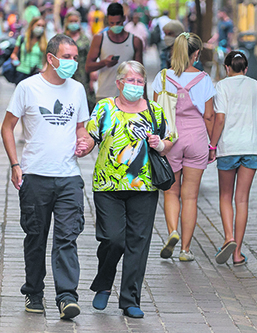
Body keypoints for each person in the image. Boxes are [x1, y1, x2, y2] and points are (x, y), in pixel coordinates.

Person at [0, 34, 91, 320]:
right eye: (67, 57)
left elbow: (82, 130)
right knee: (36, 237)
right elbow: (7, 127)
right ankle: (34, 293)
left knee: (67, 238)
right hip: (35, 176)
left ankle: (66, 297)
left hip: (68, 178)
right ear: (51, 58)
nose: (72, 63)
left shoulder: (77, 90)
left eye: (75, 58)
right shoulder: (27, 88)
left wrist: (85, 143)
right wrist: (15, 164)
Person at [80, 61, 174, 319]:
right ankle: (103, 283)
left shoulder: (154, 111)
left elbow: (169, 141)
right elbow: (91, 137)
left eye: (139, 82)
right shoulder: (104, 107)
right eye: (129, 81)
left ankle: (130, 299)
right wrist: (82, 147)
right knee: (113, 239)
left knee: (138, 243)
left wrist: (159, 144)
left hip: (144, 186)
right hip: (107, 184)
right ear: (119, 82)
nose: (134, 86)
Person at [151, 32, 215, 261]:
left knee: (171, 192)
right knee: (190, 197)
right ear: (196, 54)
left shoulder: (163, 77)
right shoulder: (204, 79)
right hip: (196, 137)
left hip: (170, 139)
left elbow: (157, 112)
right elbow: (209, 116)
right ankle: (186, 250)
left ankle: (172, 232)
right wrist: (213, 144)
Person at [209, 51, 257, 266]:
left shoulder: (221, 86)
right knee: (242, 200)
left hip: (228, 148)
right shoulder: (256, 86)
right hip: (251, 148)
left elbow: (219, 119)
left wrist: (212, 145)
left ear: (227, 68)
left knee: (225, 196)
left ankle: (228, 236)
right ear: (245, 69)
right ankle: (237, 253)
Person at [86, 2, 144, 102]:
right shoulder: (100, 39)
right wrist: (104, 63)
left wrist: (144, 98)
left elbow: (140, 72)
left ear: (124, 19)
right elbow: (88, 67)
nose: (115, 26)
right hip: (104, 94)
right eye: (111, 23)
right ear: (107, 20)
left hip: (129, 95)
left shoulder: (135, 41)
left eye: (118, 23)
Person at [64, 10, 95, 112]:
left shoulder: (85, 39)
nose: (73, 23)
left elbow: (90, 58)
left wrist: (92, 77)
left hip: (82, 75)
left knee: (81, 101)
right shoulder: (62, 38)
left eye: (75, 21)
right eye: (71, 21)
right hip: (65, 74)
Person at [9, 17, 48, 84]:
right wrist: (15, 60)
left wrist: (44, 69)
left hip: (36, 74)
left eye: (42, 26)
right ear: (32, 26)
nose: (40, 28)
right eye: (38, 25)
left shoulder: (45, 42)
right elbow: (14, 54)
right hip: (22, 72)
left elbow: (48, 59)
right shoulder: (22, 39)